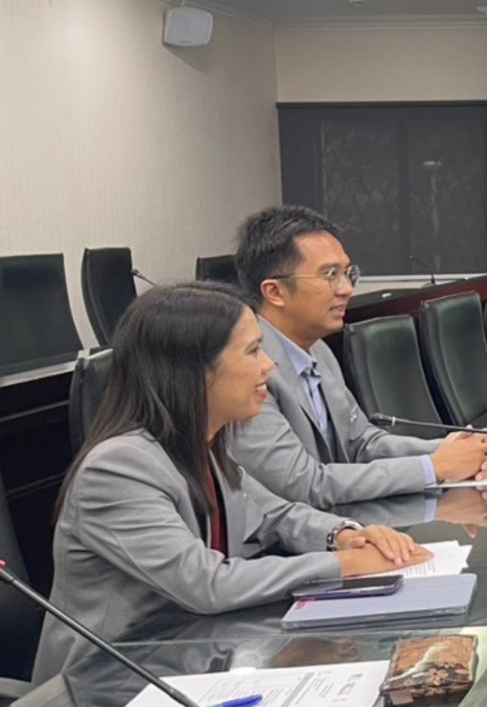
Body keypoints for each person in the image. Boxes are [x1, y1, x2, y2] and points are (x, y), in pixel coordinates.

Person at [32, 285, 431, 680]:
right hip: (108, 683)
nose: (269, 366)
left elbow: (275, 515)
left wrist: (345, 536)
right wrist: (343, 565)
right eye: (253, 351)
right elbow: (205, 583)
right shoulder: (118, 468)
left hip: (191, 661)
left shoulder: (204, 445)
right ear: (194, 369)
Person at [232, 206, 487, 508]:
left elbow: (361, 442)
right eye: (330, 275)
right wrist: (434, 467)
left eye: (348, 274)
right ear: (275, 291)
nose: (347, 289)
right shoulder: (244, 371)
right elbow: (303, 484)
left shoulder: (318, 349)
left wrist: (451, 448)